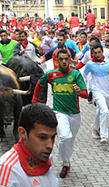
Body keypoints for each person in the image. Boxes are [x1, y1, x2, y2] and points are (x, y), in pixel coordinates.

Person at [32, 50, 89, 178]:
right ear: (56, 61)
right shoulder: (51, 74)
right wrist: (35, 99)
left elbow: (86, 94)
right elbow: (40, 84)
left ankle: (66, 161)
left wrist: (79, 92)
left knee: (70, 141)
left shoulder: (75, 74)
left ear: (70, 60)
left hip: (74, 114)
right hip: (58, 112)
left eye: (66, 59)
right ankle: (63, 162)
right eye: (61, 59)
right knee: (65, 137)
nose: (63, 62)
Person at [79, 43, 109, 145]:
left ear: (102, 51)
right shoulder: (90, 64)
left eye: (99, 52)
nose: (97, 54)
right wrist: (86, 87)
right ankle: (104, 135)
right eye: (95, 53)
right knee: (105, 111)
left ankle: (95, 128)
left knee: (99, 111)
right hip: (97, 91)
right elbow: (84, 75)